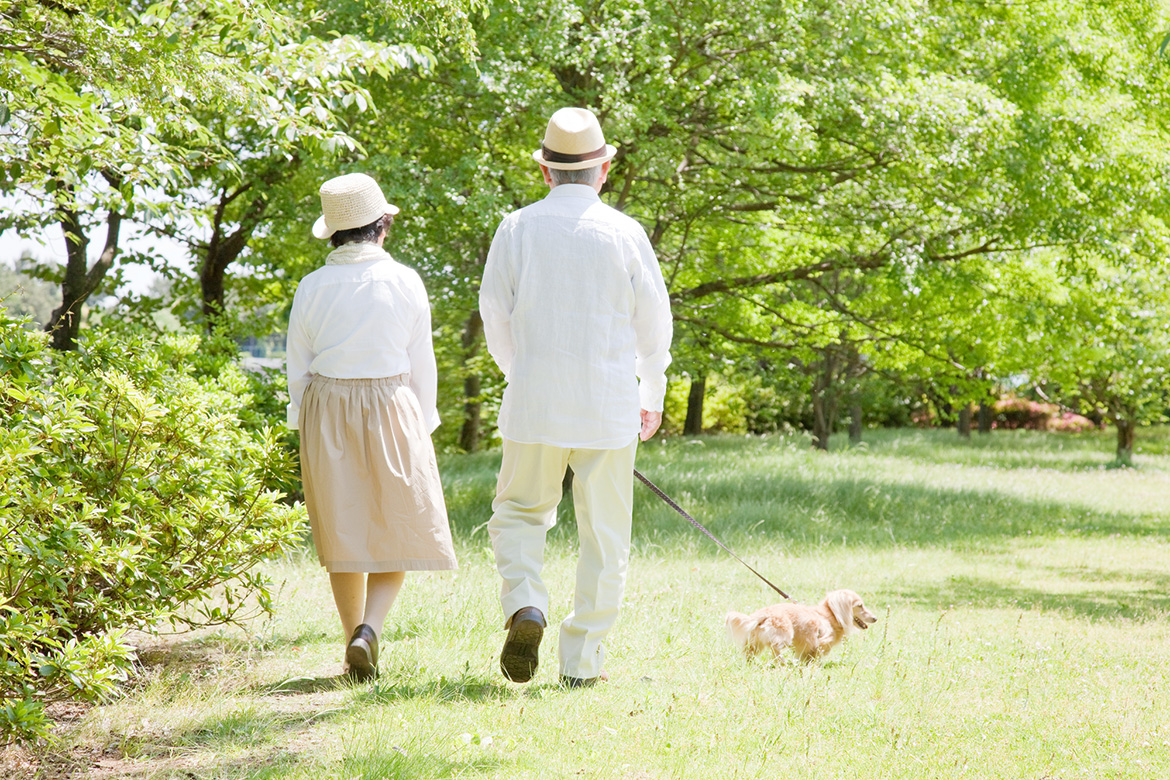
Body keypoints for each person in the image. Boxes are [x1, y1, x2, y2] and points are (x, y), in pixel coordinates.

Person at [479, 107, 673, 688]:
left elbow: (494, 314)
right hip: (608, 404)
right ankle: (583, 663)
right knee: (605, 537)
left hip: (534, 401)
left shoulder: (516, 228)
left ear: (545, 172)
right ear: (604, 169)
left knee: (518, 514)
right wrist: (653, 388)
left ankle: (526, 604)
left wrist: (524, 371)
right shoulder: (625, 232)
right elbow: (654, 325)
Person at [286, 172, 457, 681]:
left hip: (327, 405)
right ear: (383, 226)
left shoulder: (312, 286)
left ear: (334, 233)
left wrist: (304, 424)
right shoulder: (406, 280)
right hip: (391, 400)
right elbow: (420, 360)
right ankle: (371, 629)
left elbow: (298, 364)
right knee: (397, 524)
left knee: (344, 528)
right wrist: (424, 423)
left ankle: (349, 641)